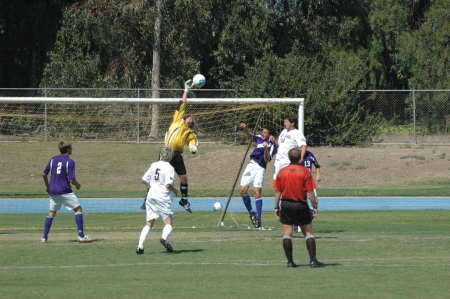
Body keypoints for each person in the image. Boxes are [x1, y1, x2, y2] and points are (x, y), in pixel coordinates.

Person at [273, 148, 323, 268]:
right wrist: (315, 206)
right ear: (299, 158)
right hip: (300, 205)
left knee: (287, 234)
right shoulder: (305, 172)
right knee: (308, 233)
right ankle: (313, 261)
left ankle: (290, 262)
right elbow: (310, 192)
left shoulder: (282, 172)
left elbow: (278, 192)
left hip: (286, 204)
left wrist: (276, 207)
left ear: (289, 158)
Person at [41, 141, 89, 243]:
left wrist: (47, 186)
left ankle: (44, 237)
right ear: (68, 150)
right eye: (71, 148)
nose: (72, 150)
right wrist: (77, 185)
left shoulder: (53, 159)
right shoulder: (70, 161)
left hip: (53, 191)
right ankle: (81, 236)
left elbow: (44, 174)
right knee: (78, 209)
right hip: (65, 190)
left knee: (52, 212)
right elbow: (71, 179)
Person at [163, 79, 198, 213]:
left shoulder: (190, 132)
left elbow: (192, 142)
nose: (192, 120)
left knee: (183, 177)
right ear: (185, 118)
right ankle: (148, 196)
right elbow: (182, 103)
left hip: (177, 154)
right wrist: (186, 90)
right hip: (166, 151)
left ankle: (184, 200)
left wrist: (193, 147)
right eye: (190, 118)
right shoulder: (178, 119)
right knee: (159, 174)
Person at [136, 147, 178, 255]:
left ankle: (140, 246)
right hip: (162, 197)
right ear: (170, 157)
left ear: (160, 155)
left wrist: (152, 186)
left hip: (151, 196)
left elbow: (144, 179)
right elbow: (168, 184)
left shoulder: (154, 165)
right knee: (168, 223)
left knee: (149, 223)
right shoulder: (170, 168)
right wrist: (175, 190)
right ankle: (163, 239)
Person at [239, 123, 277, 228]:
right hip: (251, 164)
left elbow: (267, 160)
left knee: (257, 191)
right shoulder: (259, 138)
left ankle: (259, 218)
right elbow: (250, 136)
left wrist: (265, 149)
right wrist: (245, 128)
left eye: (265, 132)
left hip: (260, 168)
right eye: (263, 132)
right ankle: (251, 213)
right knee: (243, 190)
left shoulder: (273, 145)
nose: (263, 134)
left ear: (270, 134)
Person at [294, 150, 321, 233]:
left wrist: (318, 175)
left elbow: (317, 165)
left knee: (315, 202)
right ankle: (297, 225)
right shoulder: (297, 155)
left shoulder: (310, 154)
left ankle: (305, 222)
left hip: (309, 181)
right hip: (300, 182)